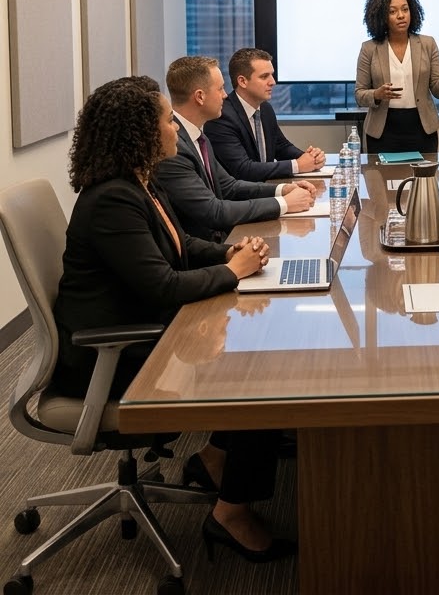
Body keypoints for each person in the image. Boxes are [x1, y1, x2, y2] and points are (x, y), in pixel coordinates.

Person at [52, 77, 294, 561]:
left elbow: (181, 248)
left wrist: (231, 251)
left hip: (146, 328)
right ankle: (231, 513)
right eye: (166, 120)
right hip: (113, 356)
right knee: (259, 376)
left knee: (255, 349)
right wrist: (231, 272)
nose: (174, 129)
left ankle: (218, 457)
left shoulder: (141, 182)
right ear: (139, 132)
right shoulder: (113, 200)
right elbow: (162, 284)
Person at [155, 56, 316, 241]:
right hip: (204, 251)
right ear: (200, 96)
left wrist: (283, 189)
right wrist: (283, 204)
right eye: (220, 88)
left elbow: (229, 187)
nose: (225, 95)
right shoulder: (173, 147)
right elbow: (213, 210)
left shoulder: (199, 137)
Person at [355, 0, 439, 154]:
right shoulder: (369, 48)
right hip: (382, 130)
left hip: (422, 129)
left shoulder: (427, 44)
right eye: (393, 11)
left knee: (422, 180)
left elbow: (438, 92)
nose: (401, 15)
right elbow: (359, 94)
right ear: (382, 17)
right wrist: (377, 95)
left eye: (405, 9)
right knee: (381, 180)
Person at [205, 47, 327, 181]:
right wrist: (297, 165)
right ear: (242, 81)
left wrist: (310, 158)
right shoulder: (222, 117)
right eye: (264, 76)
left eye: (272, 75)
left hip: (265, 189)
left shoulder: (265, 109)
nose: (273, 82)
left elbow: (281, 147)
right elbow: (242, 169)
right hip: (241, 197)